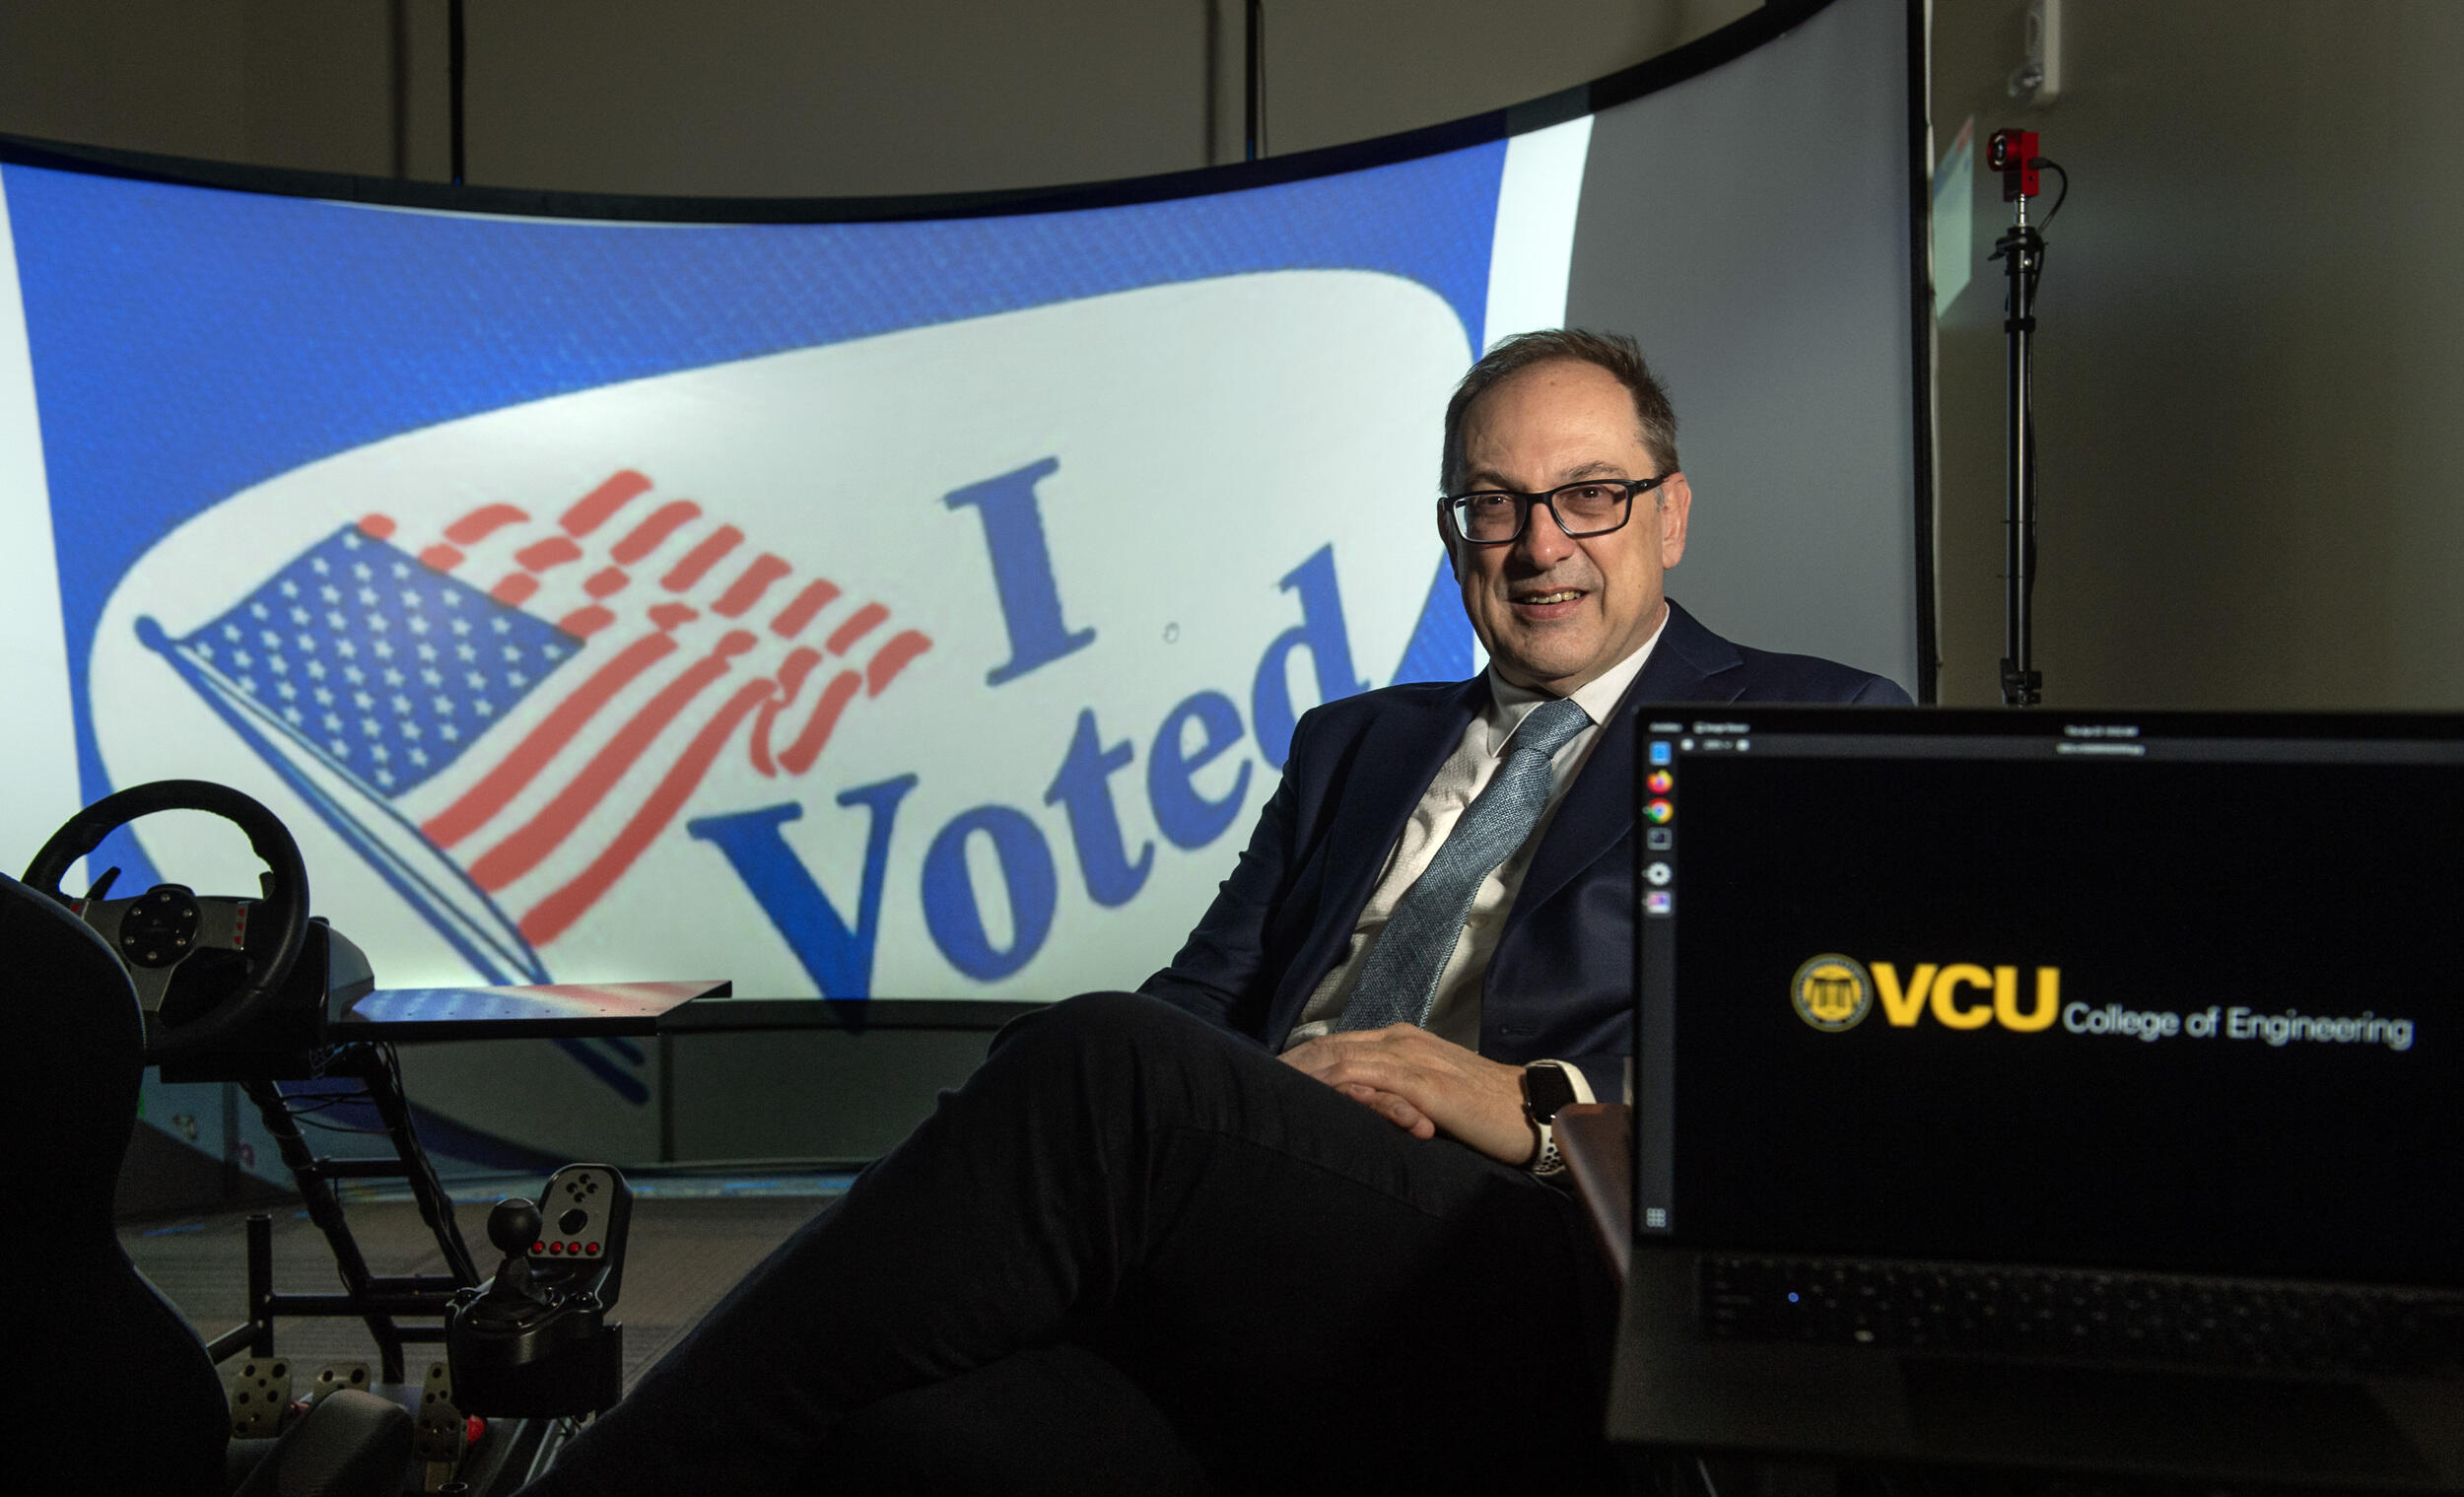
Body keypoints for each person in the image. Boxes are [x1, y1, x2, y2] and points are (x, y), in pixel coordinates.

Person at [524, 330, 1910, 1496]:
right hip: (1264, 1237)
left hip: (1530, 1264)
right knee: (913, 1440)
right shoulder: (1353, 744)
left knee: (1098, 1064)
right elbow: (1200, 1004)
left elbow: (1823, 1108)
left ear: (1670, 512)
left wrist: (1541, 1110)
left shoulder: (1809, 726)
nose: (1538, 544)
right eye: (1492, 504)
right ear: (1454, 535)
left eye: (1588, 496)